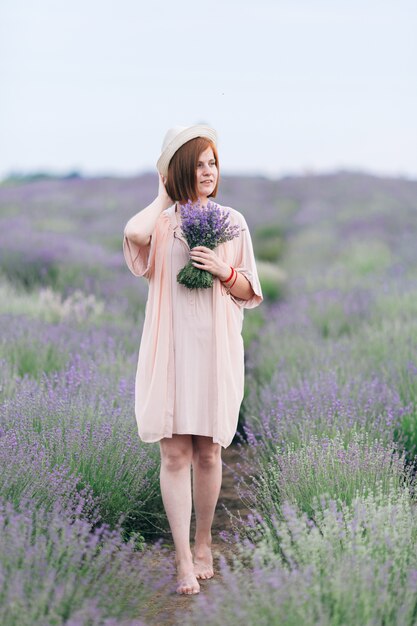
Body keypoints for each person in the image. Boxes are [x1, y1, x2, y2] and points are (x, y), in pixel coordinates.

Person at [123, 124, 263, 595]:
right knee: (175, 451)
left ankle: (204, 543)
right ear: (181, 170)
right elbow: (131, 232)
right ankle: (183, 560)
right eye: (198, 164)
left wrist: (223, 270)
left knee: (208, 450)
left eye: (213, 163)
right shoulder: (162, 224)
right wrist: (165, 194)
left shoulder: (232, 221)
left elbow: (249, 290)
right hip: (171, 349)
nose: (209, 171)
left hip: (216, 347)